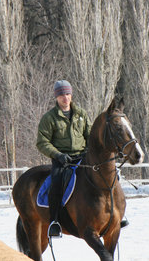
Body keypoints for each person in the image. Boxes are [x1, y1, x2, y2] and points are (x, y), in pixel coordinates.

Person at [36, 80, 91, 237]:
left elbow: (90, 136)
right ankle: (54, 222)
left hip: (82, 157)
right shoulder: (49, 118)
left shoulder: (81, 114)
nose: (65, 98)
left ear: (71, 94)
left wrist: (89, 151)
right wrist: (58, 155)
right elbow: (42, 142)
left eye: (67, 94)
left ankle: (115, 216)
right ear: (56, 97)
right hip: (61, 159)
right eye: (61, 95)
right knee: (56, 183)